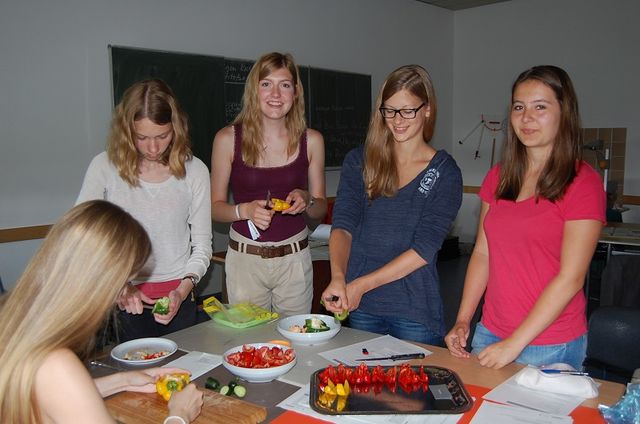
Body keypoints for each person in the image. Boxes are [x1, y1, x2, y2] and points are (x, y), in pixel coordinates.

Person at [445, 65, 606, 370]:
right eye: (519, 107)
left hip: (550, 344)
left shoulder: (583, 182)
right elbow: (482, 253)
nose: (526, 117)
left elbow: (570, 278)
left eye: (540, 107)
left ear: (564, 112)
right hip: (490, 333)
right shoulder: (499, 177)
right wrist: (464, 319)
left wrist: (515, 343)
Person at [0, 200, 203, 423]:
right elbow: (58, 380)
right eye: (125, 281)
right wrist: (180, 415)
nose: (124, 292)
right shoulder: (56, 363)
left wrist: (123, 381)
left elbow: (56, 396)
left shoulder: (12, 322)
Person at [321, 65, 463, 345]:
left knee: (410, 390)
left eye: (408, 110)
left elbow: (423, 249)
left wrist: (362, 284)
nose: (398, 120)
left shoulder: (444, 171)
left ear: (428, 109)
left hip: (414, 311)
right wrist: (338, 277)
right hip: (362, 308)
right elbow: (343, 226)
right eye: (390, 110)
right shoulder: (359, 161)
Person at [77, 79, 212, 341]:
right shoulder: (104, 167)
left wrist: (182, 291)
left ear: (176, 127)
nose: (153, 148)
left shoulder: (195, 171)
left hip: (180, 297)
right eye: (142, 138)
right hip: (125, 302)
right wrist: (120, 286)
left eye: (162, 136)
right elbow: (83, 238)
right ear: (127, 131)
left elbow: (202, 245)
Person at [211, 52, 327, 315]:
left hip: (295, 261)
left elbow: (319, 210)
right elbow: (215, 207)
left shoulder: (313, 141)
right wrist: (245, 211)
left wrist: (307, 199)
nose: (275, 94)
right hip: (245, 261)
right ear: (254, 90)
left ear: (295, 92)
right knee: (248, 348)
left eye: (284, 85)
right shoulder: (227, 139)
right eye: (266, 84)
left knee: (295, 344)